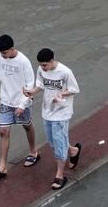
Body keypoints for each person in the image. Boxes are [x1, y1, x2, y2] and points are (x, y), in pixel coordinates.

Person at [24, 48, 82, 190]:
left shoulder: (65, 72)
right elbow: (40, 85)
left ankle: (60, 175)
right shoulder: (41, 69)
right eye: (40, 65)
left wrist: (61, 94)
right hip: (47, 110)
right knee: (52, 141)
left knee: (59, 143)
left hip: (62, 112)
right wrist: (32, 92)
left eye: (45, 65)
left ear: (52, 61)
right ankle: (73, 151)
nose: (42, 67)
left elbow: (74, 89)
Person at [0, 34, 40, 180]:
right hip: (5, 100)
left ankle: (33, 152)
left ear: (12, 48)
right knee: (3, 131)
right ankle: (2, 167)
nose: (2, 55)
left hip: (22, 101)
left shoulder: (23, 61)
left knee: (27, 126)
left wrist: (22, 104)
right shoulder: (0, 56)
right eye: (0, 53)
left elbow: (30, 84)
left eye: (5, 53)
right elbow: (0, 72)